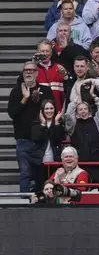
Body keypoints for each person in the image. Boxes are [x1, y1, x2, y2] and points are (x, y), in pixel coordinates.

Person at [8, 62, 55, 192]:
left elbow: (51, 110)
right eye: (26, 70)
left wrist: (38, 101)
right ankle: (24, 204)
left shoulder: (45, 90)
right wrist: (25, 98)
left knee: (41, 175)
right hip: (23, 140)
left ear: (37, 73)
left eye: (32, 70)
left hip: (42, 139)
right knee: (25, 174)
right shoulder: (16, 91)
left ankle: (41, 203)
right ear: (23, 73)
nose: (29, 73)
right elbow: (12, 113)